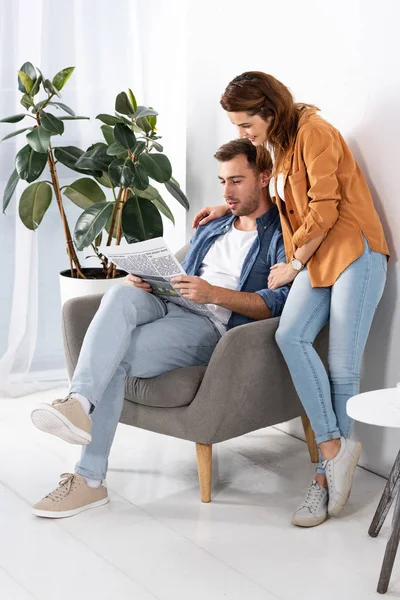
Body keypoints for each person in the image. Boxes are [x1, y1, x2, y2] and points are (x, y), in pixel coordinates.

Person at [30, 138, 290, 519]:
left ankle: (88, 480)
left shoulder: (280, 236)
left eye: (237, 181)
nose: (226, 192)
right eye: (222, 182)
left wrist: (213, 294)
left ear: (264, 177)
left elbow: (277, 303)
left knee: (114, 357)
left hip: (211, 325)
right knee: (119, 295)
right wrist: (151, 278)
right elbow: (186, 272)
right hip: (171, 300)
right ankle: (78, 404)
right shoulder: (215, 223)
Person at [193, 71, 389, 528]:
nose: (242, 133)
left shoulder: (316, 133)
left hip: (354, 251)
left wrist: (295, 263)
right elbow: (281, 201)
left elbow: (325, 207)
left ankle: (322, 482)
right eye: (238, 126)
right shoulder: (277, 147)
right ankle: (335, 450)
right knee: (291, 335)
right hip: (317, 254)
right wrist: (230, 206)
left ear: (267, 107)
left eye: (245, 124)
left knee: (342, 366)